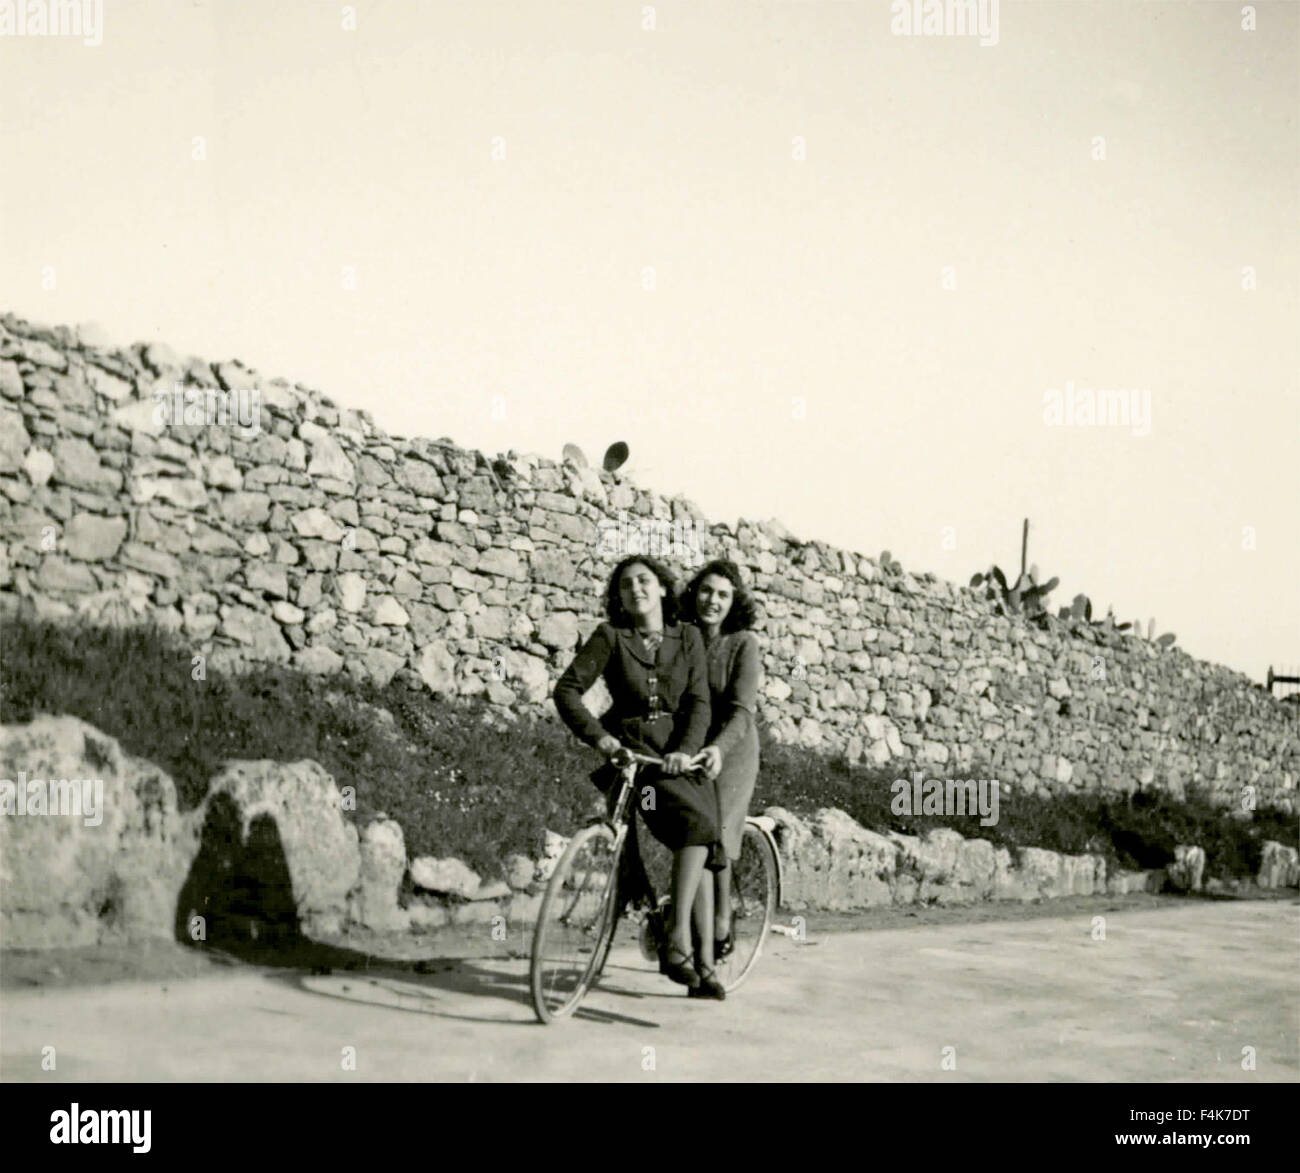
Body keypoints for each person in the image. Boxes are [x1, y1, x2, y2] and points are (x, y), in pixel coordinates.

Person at [553, 555, 728, 999]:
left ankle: (703, 967)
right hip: (631, 756)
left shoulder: (687, 636)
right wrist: (601, 740)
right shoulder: (611, 637)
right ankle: (677, 943)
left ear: (664, 589)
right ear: (618, 596)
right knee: (692, 828)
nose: (636, 589)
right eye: (626, 584)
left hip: (675, 756)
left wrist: (685, 751)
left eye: (645, 581)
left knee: (703, 833)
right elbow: (567, 691)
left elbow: (699, 702)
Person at [679, 559, 761, 969]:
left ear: (734, 602)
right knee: (691, 831)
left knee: (719, 836)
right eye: (707, 591)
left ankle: (722, 921)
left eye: (723, 595)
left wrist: (719, 750)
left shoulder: (743, 643)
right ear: (695, 592)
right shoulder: (683, 636)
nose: (713, 601)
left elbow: (742, 712)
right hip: (691, 743)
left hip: (732, 751)